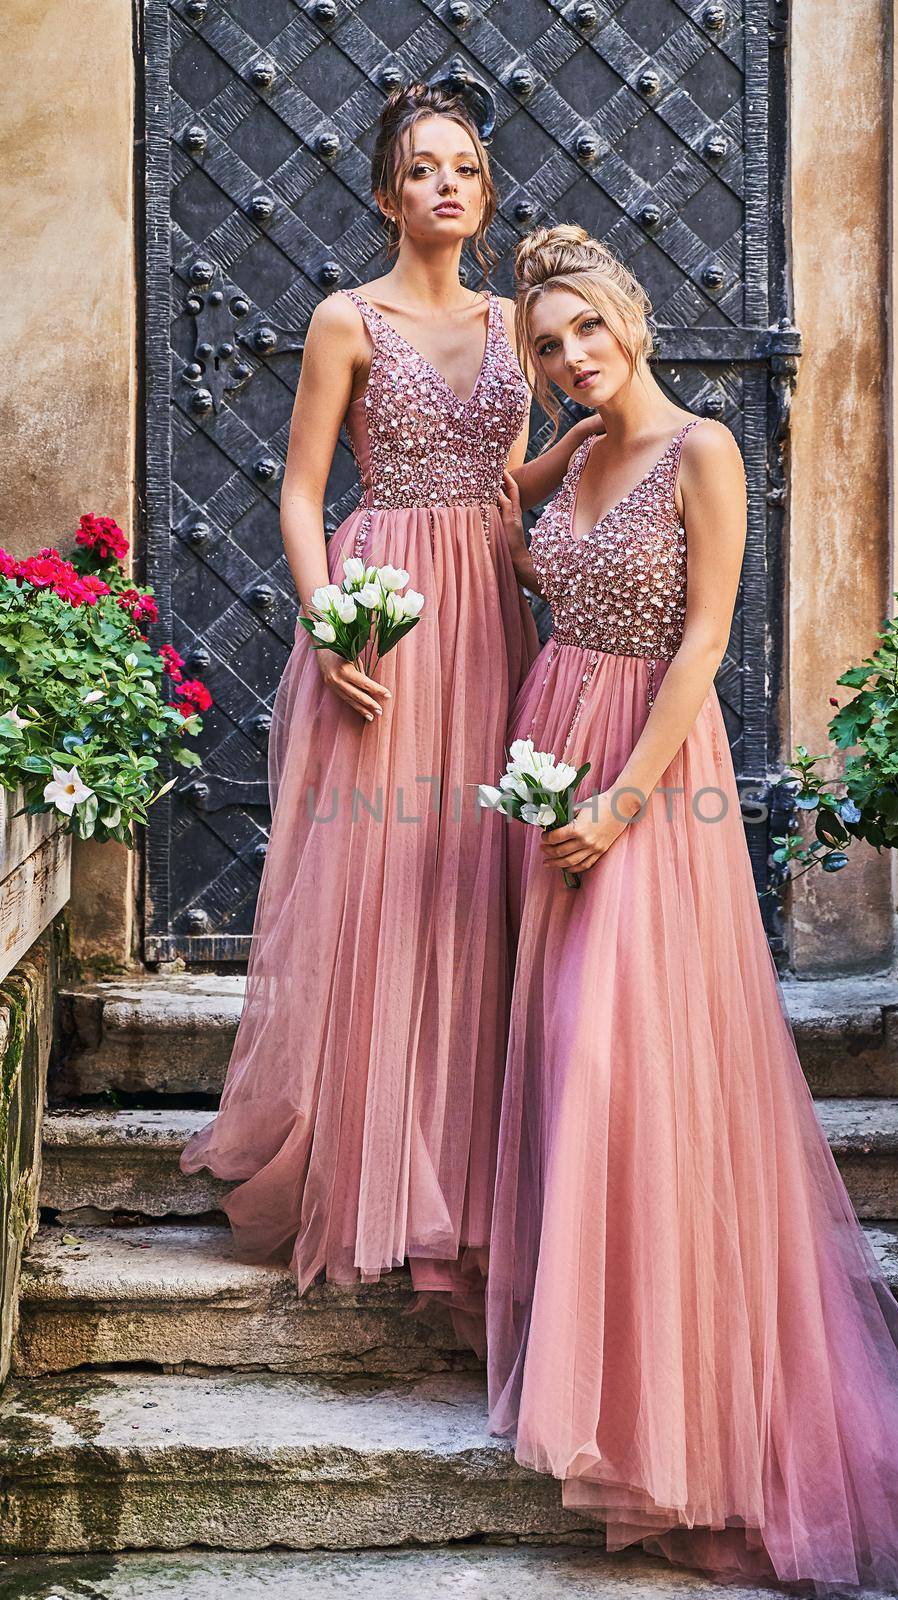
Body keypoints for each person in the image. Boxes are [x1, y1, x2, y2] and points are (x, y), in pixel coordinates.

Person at [486, 223, 898, 1591]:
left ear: (633, 320)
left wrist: (622, 802)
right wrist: (535, 415)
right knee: (565, 1062)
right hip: (555, 747)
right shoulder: (577, 452)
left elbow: (706, 641)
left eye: (587, 329)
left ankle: (689, 1425)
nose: (571, 356)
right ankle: (607, 1393)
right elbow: (493, 521)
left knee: (627, 1064)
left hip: (649, 779)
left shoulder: (701, 449)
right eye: (547, 345)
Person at [179, 87, 597, 1331]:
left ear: (483, 188)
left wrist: (571, 457)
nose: (447, 186)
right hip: (387, 621)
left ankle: (459, 1189)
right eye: (421, 170)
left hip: (490, 619)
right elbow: (302, 492)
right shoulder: (342, 319)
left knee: (471, 883)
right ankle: (370, 1178)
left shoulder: (517, 323)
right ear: (385, 194)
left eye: (465, 167)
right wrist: (329, 622)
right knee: (380, 886)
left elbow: (497, 499)